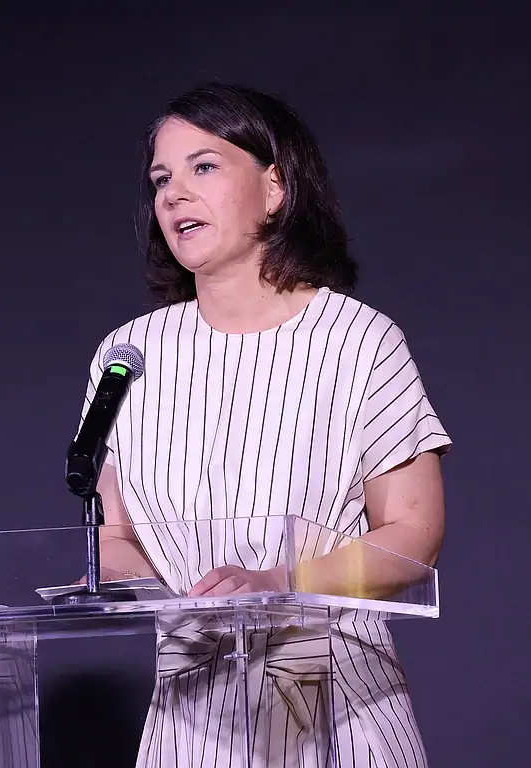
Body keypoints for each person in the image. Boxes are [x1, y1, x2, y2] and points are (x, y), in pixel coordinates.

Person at [78, 82, 451, 768]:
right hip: (190, 719)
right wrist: (172, 598)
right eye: (161, 179)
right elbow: (114, 535)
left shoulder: (358, 341)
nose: (174, 194)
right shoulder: (127, 356)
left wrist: (279, 583)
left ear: (275, 187)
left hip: (336, 706)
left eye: (203, 167)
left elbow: (413, 534)